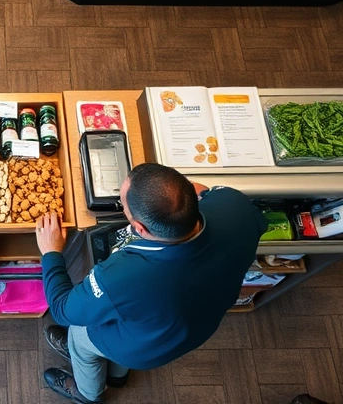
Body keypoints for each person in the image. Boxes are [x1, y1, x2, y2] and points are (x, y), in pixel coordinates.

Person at [35, 163, 267, 403]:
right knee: (133, 318)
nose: (122, 207)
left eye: (123, 206)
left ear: (139, 228)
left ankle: (87, 394)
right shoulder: (235, 203)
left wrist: (51, 252)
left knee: (79, 336)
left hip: (146, 348)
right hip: (202, 320)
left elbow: (62, 310)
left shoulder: (121, 276)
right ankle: (117, 376)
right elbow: (204, 191)